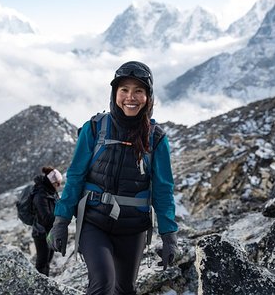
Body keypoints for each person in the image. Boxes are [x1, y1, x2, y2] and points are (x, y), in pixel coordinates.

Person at [47, 61, 178, 294]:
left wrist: (169, 236)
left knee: (125, 289)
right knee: (103, 283)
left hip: (133, 227)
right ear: (114, 94)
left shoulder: (156, 139)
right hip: (94, 222)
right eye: (124, 90)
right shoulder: (95, 128)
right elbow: (75, 177)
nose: (131, 97)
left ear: (148, 97)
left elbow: (163, 191)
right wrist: (61, 221)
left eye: (139, 90)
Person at [31, 166, 62, 276]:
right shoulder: (40, 194)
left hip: (50, 231)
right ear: (51, 182)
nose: (59, 186)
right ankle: (39, 285)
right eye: (57, 183)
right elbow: (45, 218)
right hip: (41, 233)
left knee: (48, 260)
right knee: (42, 261)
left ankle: (45, 284)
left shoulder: (51, 191)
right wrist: (61, 218)